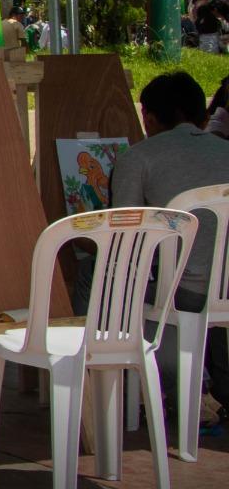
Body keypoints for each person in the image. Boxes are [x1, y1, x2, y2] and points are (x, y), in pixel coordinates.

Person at [110, 72, 229, 428]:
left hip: (184, 290)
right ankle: (213, 386)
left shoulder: (138, 157)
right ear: (203, 115)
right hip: (224, 285)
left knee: (92, 273)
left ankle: (111, 374)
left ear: (147, 116)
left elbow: (124, 240)